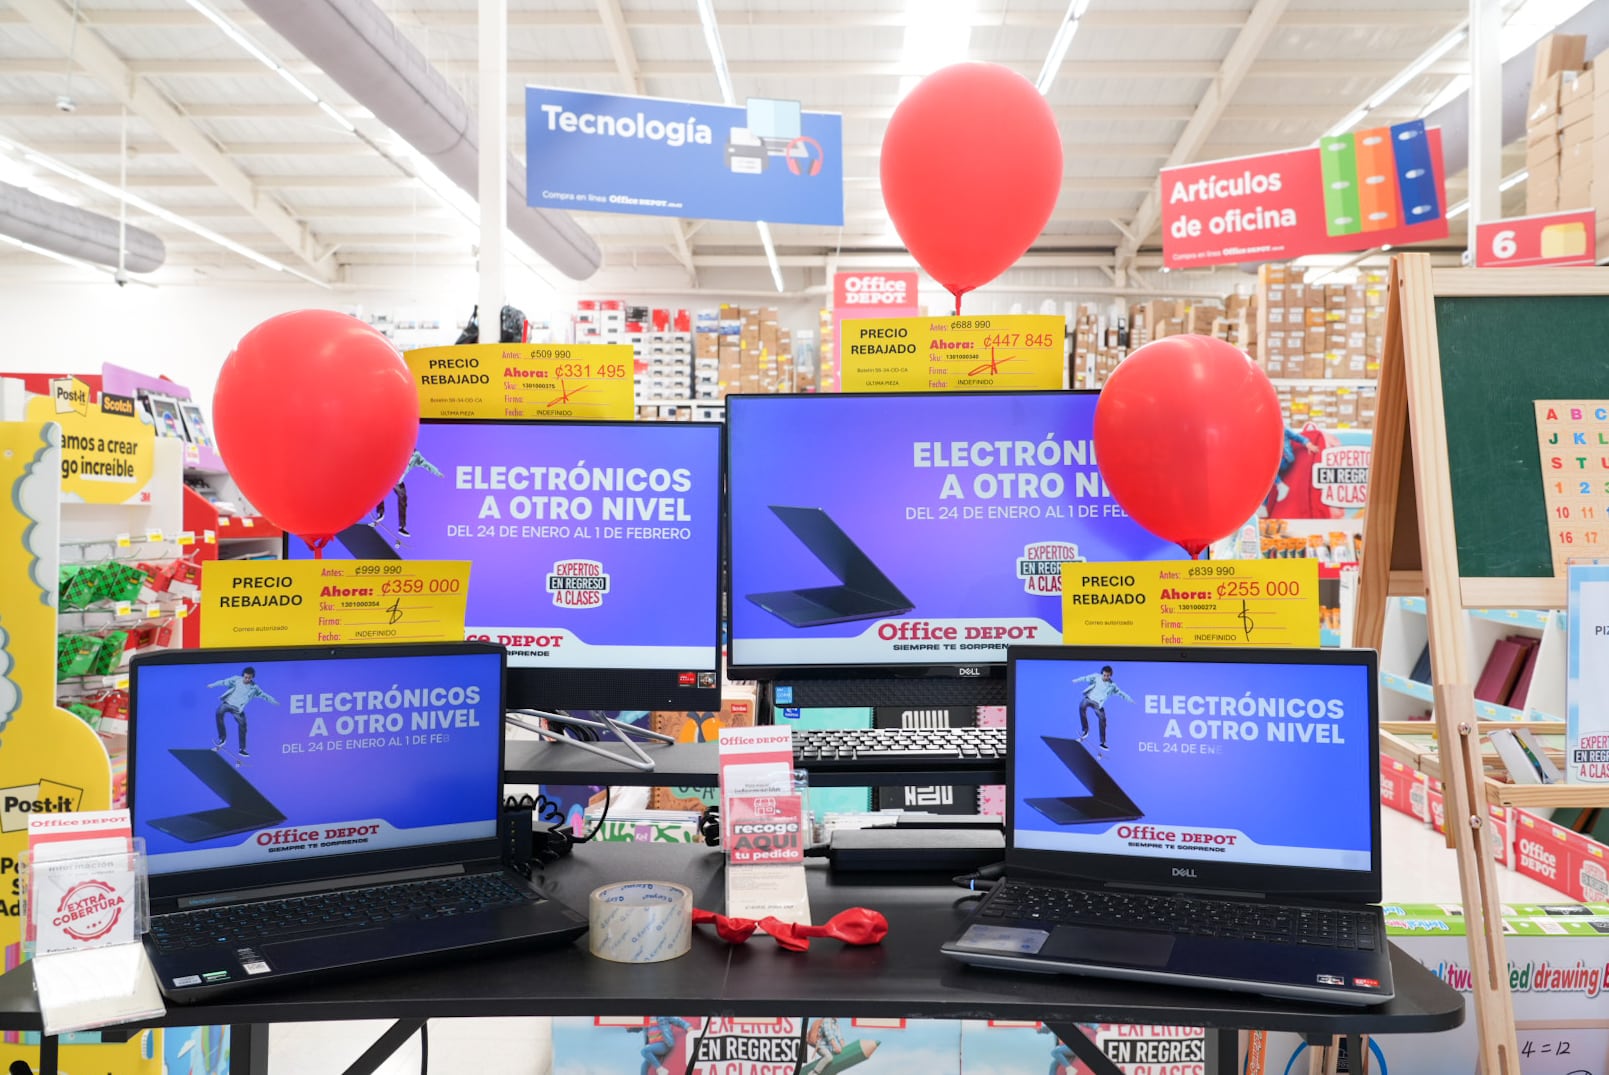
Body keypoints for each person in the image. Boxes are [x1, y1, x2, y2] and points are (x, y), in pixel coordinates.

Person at [208, 666, 277, 757]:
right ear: (243, 675)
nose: (247, 679)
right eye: (246, 677)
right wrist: (212, 685)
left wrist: (274, 701)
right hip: (227, 703)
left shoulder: (254, 688)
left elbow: (264, 695)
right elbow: (223, 682)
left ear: (252, 677)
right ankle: (222, 738)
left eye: (249, 678)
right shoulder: (236, 679)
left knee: (243, 725)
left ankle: (242, 749)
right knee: (219, 712)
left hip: (238, 709)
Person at [374, 449, 442, 538]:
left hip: (398, 482)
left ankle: (402, 527)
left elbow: (427, 465)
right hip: (390, 476)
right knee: (380, 488)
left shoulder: (416, 457)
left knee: (403, 499)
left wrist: (437, 472)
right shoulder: (400, 450)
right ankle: (380, 512)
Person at [1073, 665, 1131, 752]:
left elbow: (1120, 693)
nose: (1106, 677)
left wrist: (1130, 699)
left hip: (1098, 704)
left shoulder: (1112, 685)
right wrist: (1076, 680)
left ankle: (1102, 742)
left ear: (1110, 675)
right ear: (1102, 674)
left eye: (1108, 676)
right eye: (1104, 675)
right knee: (1082, 706)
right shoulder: (1096, 677)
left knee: (1102, 719)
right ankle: (1085, 731)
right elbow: (1085, 678)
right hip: (1089, 698)